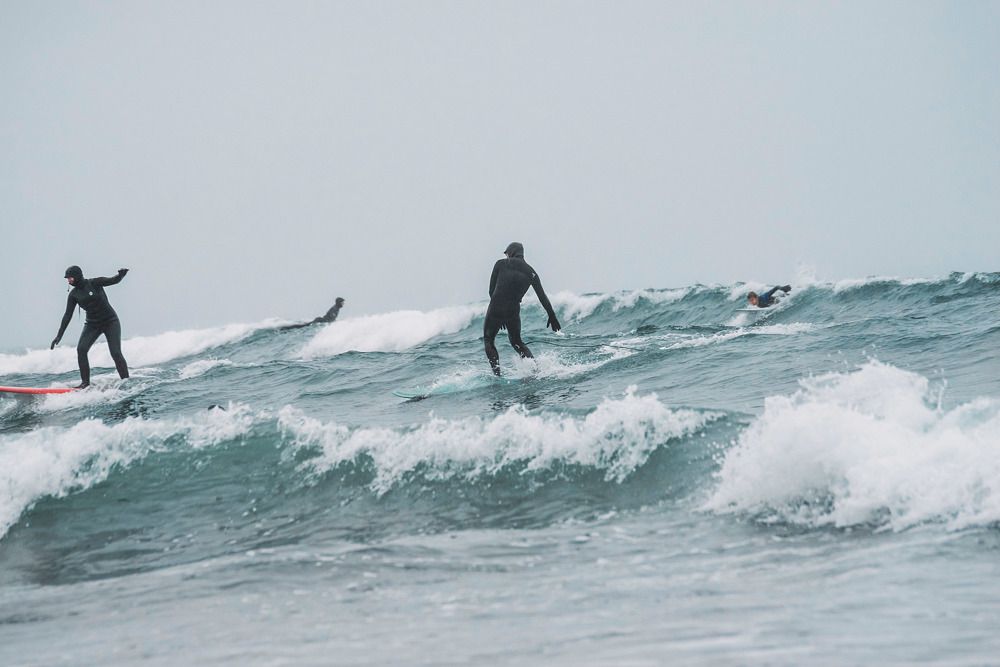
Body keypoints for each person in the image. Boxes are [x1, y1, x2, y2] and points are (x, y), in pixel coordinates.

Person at [484, 242, 561, 376]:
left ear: (511, 252)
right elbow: (542, 297)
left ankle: (497, 376)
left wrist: (498, 314)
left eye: (506, 252)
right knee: (517, 342)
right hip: (513, 310)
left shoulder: (500, 264)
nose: (506, 255)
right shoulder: (531, 273)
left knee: (489, 340)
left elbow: (491, 291)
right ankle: (535, 370)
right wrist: (552, 316)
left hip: (496, 307)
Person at [51, 265, 130, 389]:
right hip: (92, 324)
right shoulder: (73, 295)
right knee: (81, 350)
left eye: (70, 278)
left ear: (77, 276)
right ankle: (85, 384)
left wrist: (120, 276)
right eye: (67, 279)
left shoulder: (95, 283)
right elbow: (67, 316)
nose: (68, 281)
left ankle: (126, 381)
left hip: (110, 321)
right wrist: (59, 335)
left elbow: (112, 280)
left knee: (115, 353)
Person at [280, 297, 345, 330]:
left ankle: (286, 328)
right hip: (320, 321)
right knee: (302, 326)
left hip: (320, 320)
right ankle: (286, 328)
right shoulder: (335, 308)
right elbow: (331, 318)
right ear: (338, 302)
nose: (343, 304)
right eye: (342, 302)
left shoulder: (336, 308)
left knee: (303, 326)